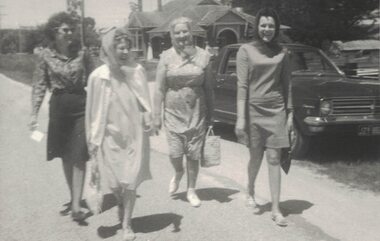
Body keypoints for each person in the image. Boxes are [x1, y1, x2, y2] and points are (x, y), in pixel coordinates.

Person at [86, 27, 152, 241]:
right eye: (119, 47)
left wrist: (149, 117)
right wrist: (92, 139)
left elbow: (144, 101)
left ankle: (127, 225)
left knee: (130, 181)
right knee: (115, 184)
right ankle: (120, 202)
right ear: (109, 49)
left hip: (134, 135)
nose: (124, 52)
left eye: (127, 47)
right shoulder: (98, 77)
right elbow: (92, 112)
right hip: (109, 137)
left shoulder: (137, 71)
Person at [29, 12, 93, 222]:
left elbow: (97, 78)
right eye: (65, 30)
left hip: (81, 106)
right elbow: (39, 85)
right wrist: (34, 113)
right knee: (66, 154)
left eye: (72, 30)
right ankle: (75, 197)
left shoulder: (83, 53)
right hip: (58, 108)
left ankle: (76, 205)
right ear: (54, 32)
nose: (70, 33)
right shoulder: (44, 55)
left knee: (80, 153)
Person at [235, 8, 292, 227]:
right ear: (257, 27)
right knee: (256, 157)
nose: (267, 29)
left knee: (274, 158)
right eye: (263, 25)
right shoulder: (245, 50)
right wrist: (241, 119)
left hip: (276, 110)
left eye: (271, 26)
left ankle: (276, 208)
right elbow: (242, 86)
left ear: (276, 28)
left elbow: (287, 84)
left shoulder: (283, 52)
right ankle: (250, 188)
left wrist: (290, 113)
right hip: (253, 111)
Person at [153, 17, 214, 207]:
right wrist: (156, 115)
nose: (181, 36)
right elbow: (159, 88)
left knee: (194, 154)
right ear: (172, 35)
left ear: (191, 32)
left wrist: (211, 116)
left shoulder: (204, 57)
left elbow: (209, 88)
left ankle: (192, 189)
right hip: (172, 112)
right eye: (177, 32)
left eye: (184, 31)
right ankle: (179, 171)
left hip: (197, 112)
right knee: (175, 153)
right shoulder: (165, 57)